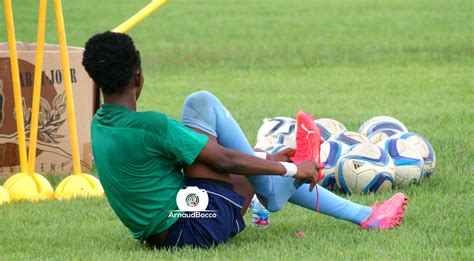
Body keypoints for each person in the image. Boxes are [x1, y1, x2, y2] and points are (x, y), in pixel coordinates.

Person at [82, 32, 408, 249]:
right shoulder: (151, 126)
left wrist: (268, 162)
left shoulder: (99, 125)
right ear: (138, 77)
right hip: (196, 224)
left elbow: (196, 160)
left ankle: (361, 215)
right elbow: (223, 161)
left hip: (168, 227)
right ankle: (290, 193)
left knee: (235, 145)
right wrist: (290, 169)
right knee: (203, 105)